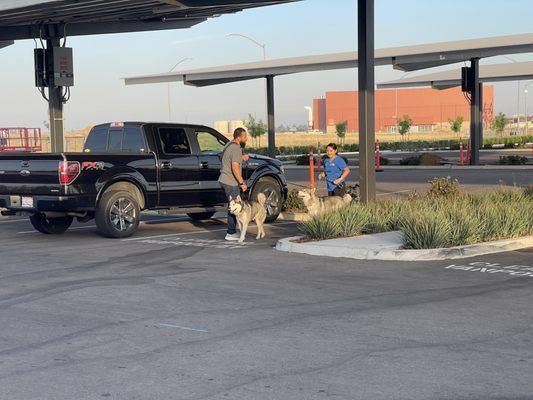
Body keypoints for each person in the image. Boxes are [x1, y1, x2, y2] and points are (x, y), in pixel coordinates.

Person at [219, 127, 250, 241]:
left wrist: (241, 158)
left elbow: (229, 159)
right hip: (231, 182)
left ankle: (232, 231)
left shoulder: (229, 145)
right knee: (234, 206)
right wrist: (242, 183)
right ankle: (231, 232)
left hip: (223, 179)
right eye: (245, 137)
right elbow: (235, 167)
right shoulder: (237, 148)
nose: (246, 139)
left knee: (232, 205)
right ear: (239, 137)